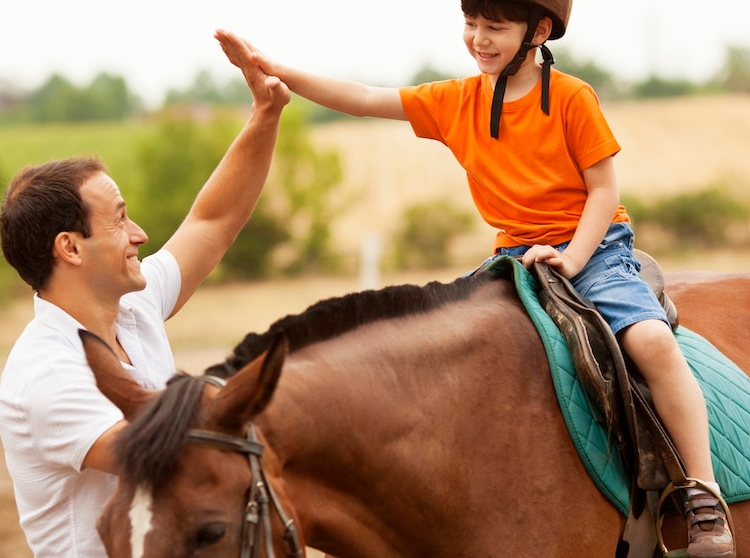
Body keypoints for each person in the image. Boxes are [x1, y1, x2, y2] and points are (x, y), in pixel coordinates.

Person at [217, 1, 734, 556]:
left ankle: (702, 494)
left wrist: (576, 258)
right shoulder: (456, 100)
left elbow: (603, 192)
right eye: (472, 24)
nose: (479, 39)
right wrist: (271, 68)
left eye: (495, 27)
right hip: (512, 254)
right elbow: (364, 99)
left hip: (592, 246)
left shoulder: (571, 98)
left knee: (651, 341)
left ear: (537, 30)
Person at [0, 33, 290, 557]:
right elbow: (165, 453)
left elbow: (213, 221)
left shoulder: (132, 307)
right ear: (71, 248)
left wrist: (265, 115)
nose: (140, 235)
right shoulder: (44, 372)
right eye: (120, 219)